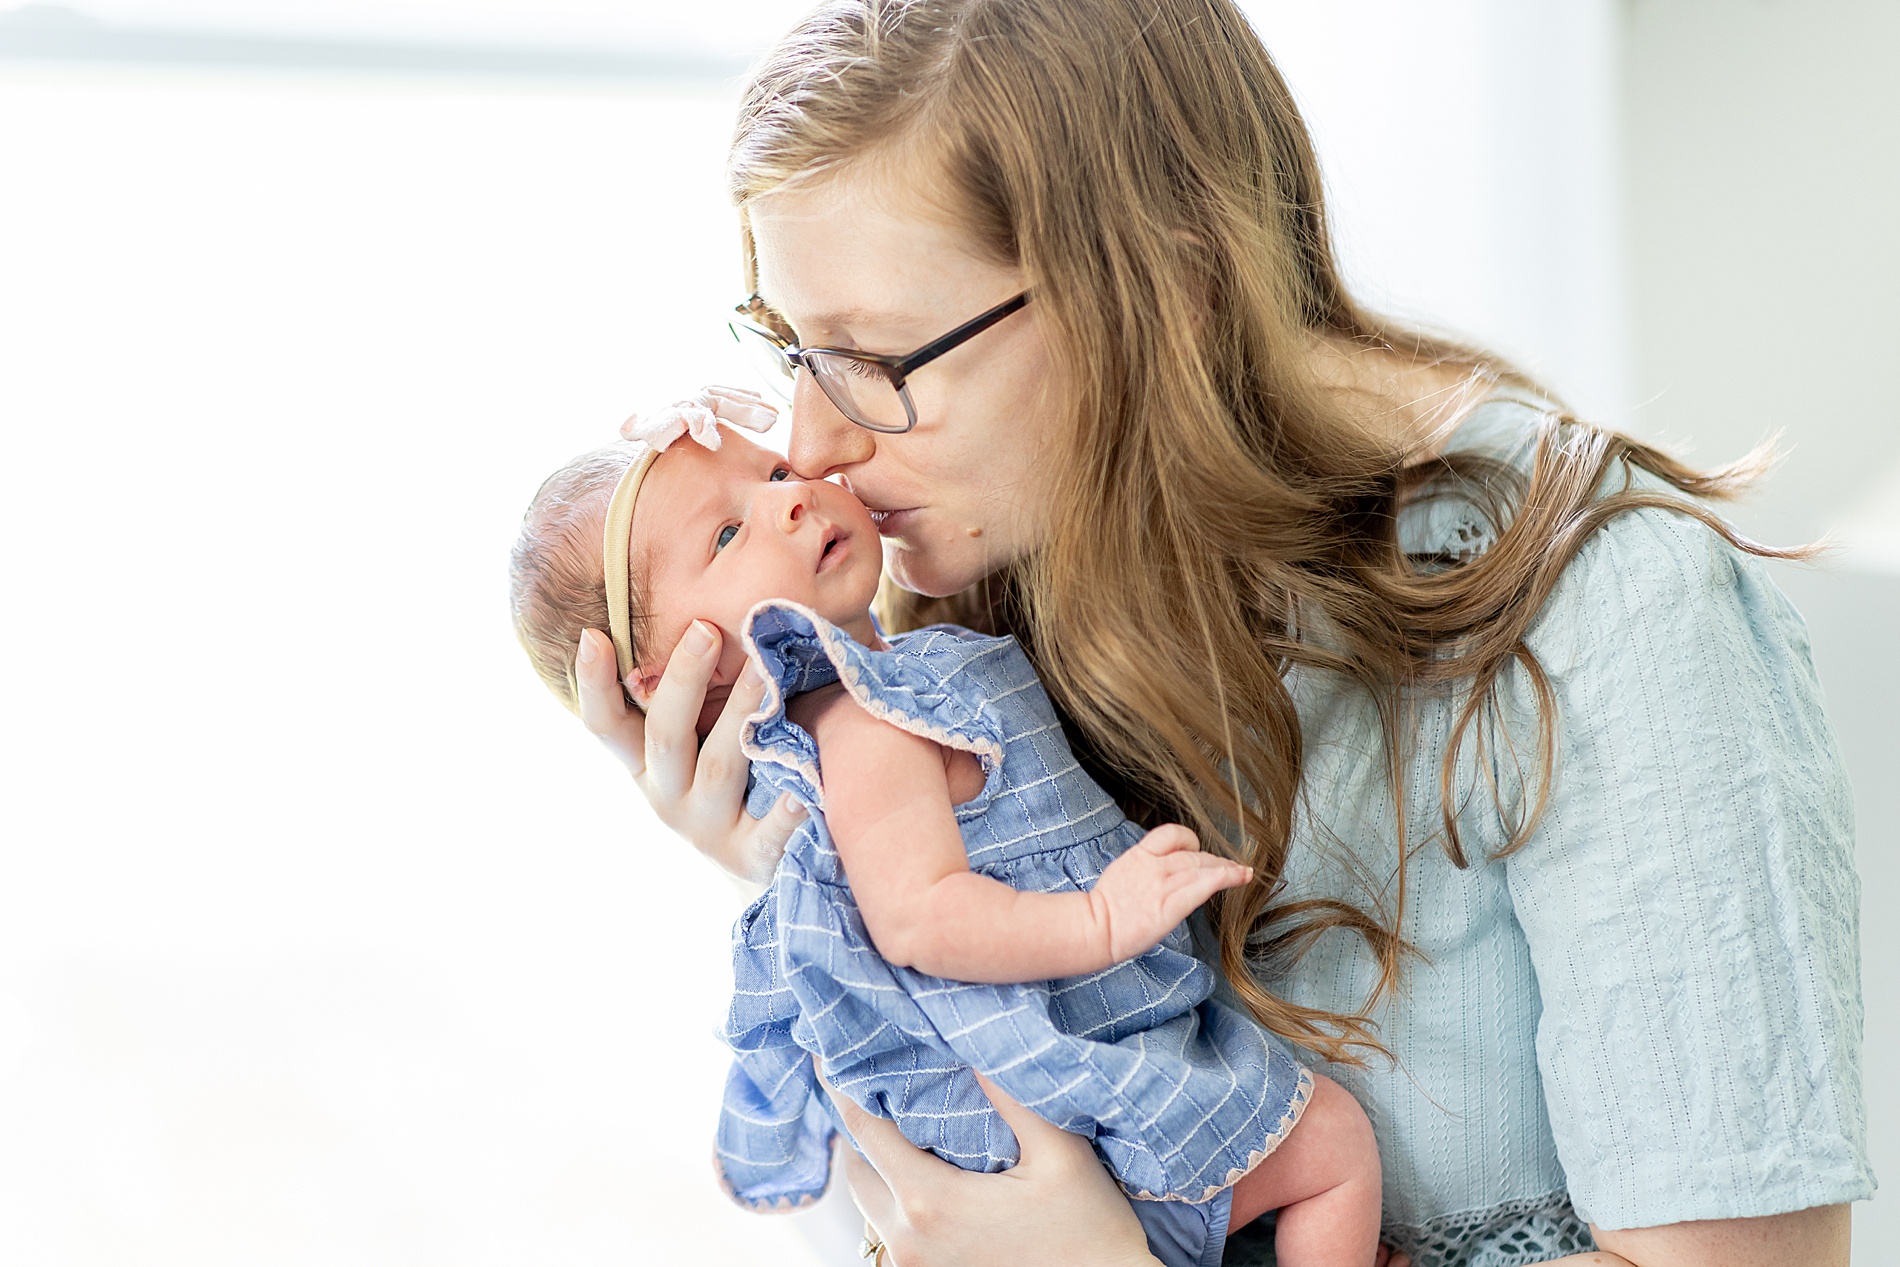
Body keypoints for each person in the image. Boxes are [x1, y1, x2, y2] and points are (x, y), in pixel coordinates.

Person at [568, 2, 1873, 1264]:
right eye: (790, 346)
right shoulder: (976, 600)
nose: (809, 442)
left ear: (1166, 283)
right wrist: (808, 877)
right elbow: (936, 1217)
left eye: (876, 359)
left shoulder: (1617, 611)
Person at [508, 397, 1384, 1267]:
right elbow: (918, 917)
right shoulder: (866, 725)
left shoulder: (896, 688)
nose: (794, 496)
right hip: (1077, 1106)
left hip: (1066, 1116)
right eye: (728, 535)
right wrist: (1101, 920)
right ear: (685, 676)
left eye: (773, 472)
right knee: (1332, 1149)